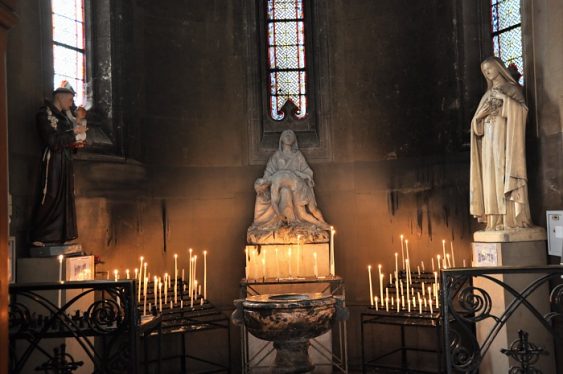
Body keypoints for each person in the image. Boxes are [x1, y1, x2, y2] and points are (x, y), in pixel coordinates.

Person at [469, 56, 532, 231]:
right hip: (488, 143)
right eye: (484, 71)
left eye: (489, 68)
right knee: (491, 180)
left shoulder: (512, 89)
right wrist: (480, 117)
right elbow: (475, 126)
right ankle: (494, 221)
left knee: (504, 175)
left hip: (505, 141)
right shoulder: (487, 95)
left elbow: (522, 112)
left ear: (499, 68)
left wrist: (504, 100)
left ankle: (510, 220)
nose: (487, 73)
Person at [30, 84, 88, 246]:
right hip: (53, 161)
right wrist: (74, 135)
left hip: (65, 161)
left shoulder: (64, 118)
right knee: (51, 195)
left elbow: (67, 140)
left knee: (65, 198)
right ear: (60, 97)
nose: (71, 104)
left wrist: (76, 144)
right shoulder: (44, 114)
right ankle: (41, 235)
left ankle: (62, 236)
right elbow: (53, 141)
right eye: (70, 100)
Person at [248, 130, 330, 243]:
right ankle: (285, 222)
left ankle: (297, 223)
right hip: (284, 189)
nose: (288, 136)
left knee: (304, 206)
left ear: (294, 139)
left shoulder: (298, 156)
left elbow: (307, 172)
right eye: (285, 134)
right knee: (285, 192)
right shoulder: (276, 157)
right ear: (281, 139)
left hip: (298, 188)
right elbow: (267, 175)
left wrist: (303, 176)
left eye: (291, 134)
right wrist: (264, 186)